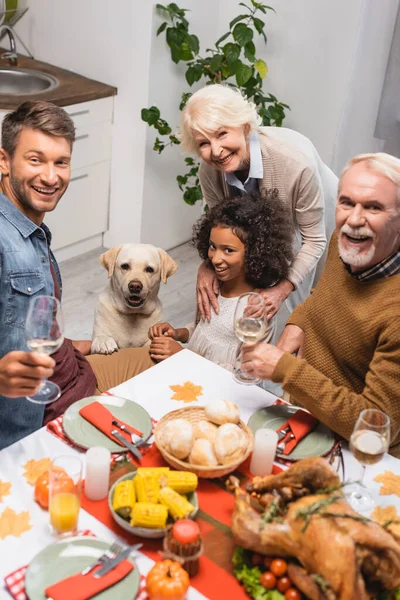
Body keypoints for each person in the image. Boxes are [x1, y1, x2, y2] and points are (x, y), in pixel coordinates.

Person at [0, 101, 154, 450]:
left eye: (61, 162)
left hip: (75, 370)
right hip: (45, 417)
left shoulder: (31, 230)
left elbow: (19, 324)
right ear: (4, 161)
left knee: (174, 365)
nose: (51, 177)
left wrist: (66, 345)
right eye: (35, 159)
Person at [241, 153, 400, 457]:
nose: (354, 220)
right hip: (306, 409)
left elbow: (376, 428)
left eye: (373, 207)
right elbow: (325, 295)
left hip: (354, 450)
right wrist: (297, 321)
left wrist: (287, 370)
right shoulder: (345, 241)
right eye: (346, 202)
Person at [180, 84, 338, 322]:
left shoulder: (295, 164)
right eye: (203, 143)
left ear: (244, 126)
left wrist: (281, 289)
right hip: (283, 221)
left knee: (306, 302)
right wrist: (207, 266)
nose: (216, 151)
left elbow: (314, 241)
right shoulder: (209, 172)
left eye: (222, 134)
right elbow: (221, 229)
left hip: (320, 220)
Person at [148, 189, 293, 369]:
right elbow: (203, 330)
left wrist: (181, 356)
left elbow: (244, 373)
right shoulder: (212, 287)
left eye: (228, 250)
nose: (215, 259)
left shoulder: (257, 308)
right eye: (212, 246)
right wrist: (178, 334)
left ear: (255, 254)